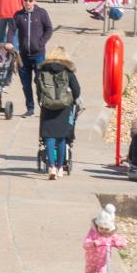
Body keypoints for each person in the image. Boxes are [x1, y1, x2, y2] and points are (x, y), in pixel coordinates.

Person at [37, 45, 81, 180]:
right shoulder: (68, 72)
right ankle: (61, 167)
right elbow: (77, 91)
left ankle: (51, 166)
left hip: (47, 107)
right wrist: (71, 100)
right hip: (64, 107)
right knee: (61, 138)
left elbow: (38, 90)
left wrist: (41, 101)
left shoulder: (43, 71)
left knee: (49, 137)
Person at [13, 0, 53, 116]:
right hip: (24, 56)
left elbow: (49, 29)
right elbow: (11, 30)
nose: (28, 3)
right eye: (25, 0)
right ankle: (30, 108)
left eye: (30, 0)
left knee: (40, 82)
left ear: (34, 1)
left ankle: (43, 107)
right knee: (26, 84)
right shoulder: (18, 15)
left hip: (38, 55)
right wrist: (9, 43)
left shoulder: (41, 13)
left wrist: (41, 43)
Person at [81, 203, 127, 273]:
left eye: (106, 229)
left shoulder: (111, 235)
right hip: (91, 260)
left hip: (103, 262)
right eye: (101, 228)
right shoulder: (93, 233)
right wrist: (92, 243)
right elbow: (85, 243)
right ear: (97, 225)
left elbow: (119, 241)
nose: (103, 231)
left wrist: (121, 244)